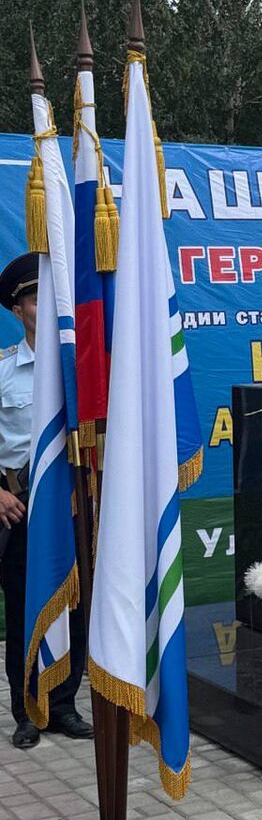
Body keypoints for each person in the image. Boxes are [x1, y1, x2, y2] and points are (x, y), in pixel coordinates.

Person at [0, 254, 92, 749]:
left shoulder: (80, 367)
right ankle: (27, 711)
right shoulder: (3, 371)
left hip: (71, 506)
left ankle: (63, 705)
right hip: (18, 507)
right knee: (24, 609)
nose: (45, 307)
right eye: (35, 300)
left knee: (72, 607)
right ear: (18, 311)